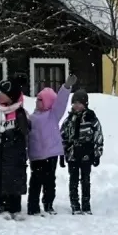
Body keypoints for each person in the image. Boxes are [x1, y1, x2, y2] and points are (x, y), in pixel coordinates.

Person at [27, 76, 75, 216]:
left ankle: (48, 205)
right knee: (35, 182)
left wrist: (66, 87)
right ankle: (33, 207)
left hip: (51, 155)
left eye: (40, 100)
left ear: (48, 102)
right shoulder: (31, 118)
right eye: (37, 99)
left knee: (49, 182)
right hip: (36, 156)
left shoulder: (53, 115)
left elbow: (61, 102)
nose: (37, 102)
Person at [0, 80, 30, 220]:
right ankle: (3, 207)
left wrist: (14, 142)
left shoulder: (21, 113)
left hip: (16, 156)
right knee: (0, 181)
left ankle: (16, 208)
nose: (0, 95)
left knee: (15, 181)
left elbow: (26, 133)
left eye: (4, 93)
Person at [59, 89, 103, 215]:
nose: (77, 106)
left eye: (80, 103)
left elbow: (98, 136)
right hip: (72, 154)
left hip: (86, 154)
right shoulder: (68, 120)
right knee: (73, 180)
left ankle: (86, 204)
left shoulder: (91, 119)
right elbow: (62, 137)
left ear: (85, 104)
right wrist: (62, 154)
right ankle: (75, 204)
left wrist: (97, 154)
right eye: (75, 103)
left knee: (85, 180)